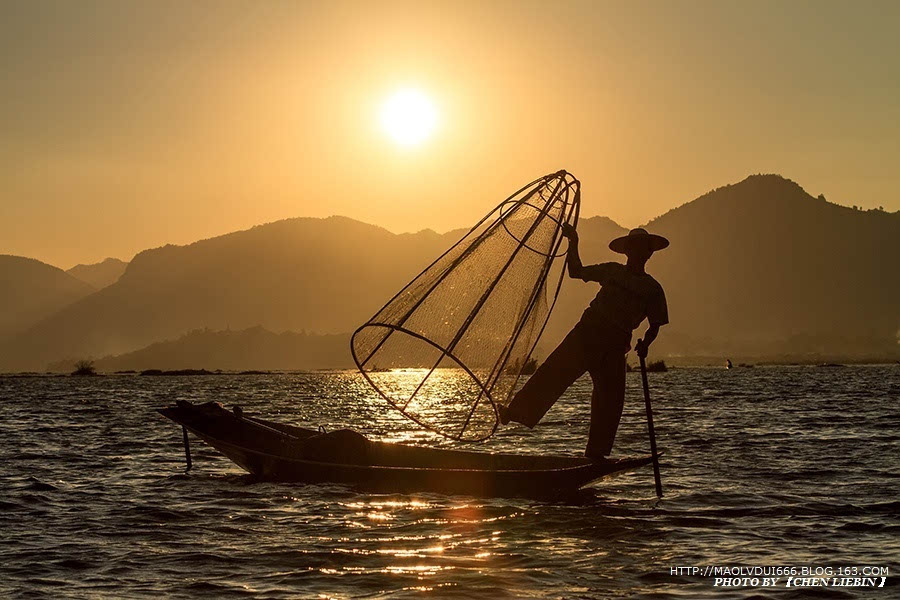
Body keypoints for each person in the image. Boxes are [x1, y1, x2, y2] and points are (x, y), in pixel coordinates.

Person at [498, 224, 669, 459]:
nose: (638, 252)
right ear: (627, 251)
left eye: (642, 248)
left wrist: (645, 343)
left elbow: (656, 324)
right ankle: (515, 412)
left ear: (649, 253)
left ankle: (596, 456)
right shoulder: (612, 271)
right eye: (634, 247)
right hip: (587, 334)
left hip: (615, 346)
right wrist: (573, 242)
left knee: (610, 403)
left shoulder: (652, 289)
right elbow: (576, 271)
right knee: (553, 372)